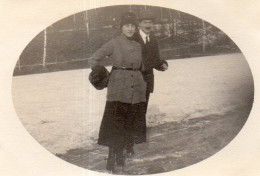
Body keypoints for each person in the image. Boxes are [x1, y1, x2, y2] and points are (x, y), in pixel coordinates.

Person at [89, 12, 147, 172]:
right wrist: (105, 75)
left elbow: (141, 66)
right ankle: (111, 158)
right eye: (127, 25)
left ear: (136, 28)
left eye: (132, 26)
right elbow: (93, 59)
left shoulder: (137, 45)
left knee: (129, 125)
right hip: (118, 90)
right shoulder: (114, 43)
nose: (130, 29)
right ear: (121, 27)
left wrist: (143, 82)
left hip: (136, 90)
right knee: (115, 125)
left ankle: (121, 155)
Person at [123, 10, 168, 154]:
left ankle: (139, 140)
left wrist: (162, 64)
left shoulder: (153, 40)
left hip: (147, 80)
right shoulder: (132, 38)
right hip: (133, 80)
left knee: (142, 108)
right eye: (145, 22)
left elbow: (155, 59)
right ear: (139, 24)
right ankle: (128, 141)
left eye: (150, 22)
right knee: (132, 109)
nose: (148, 25)